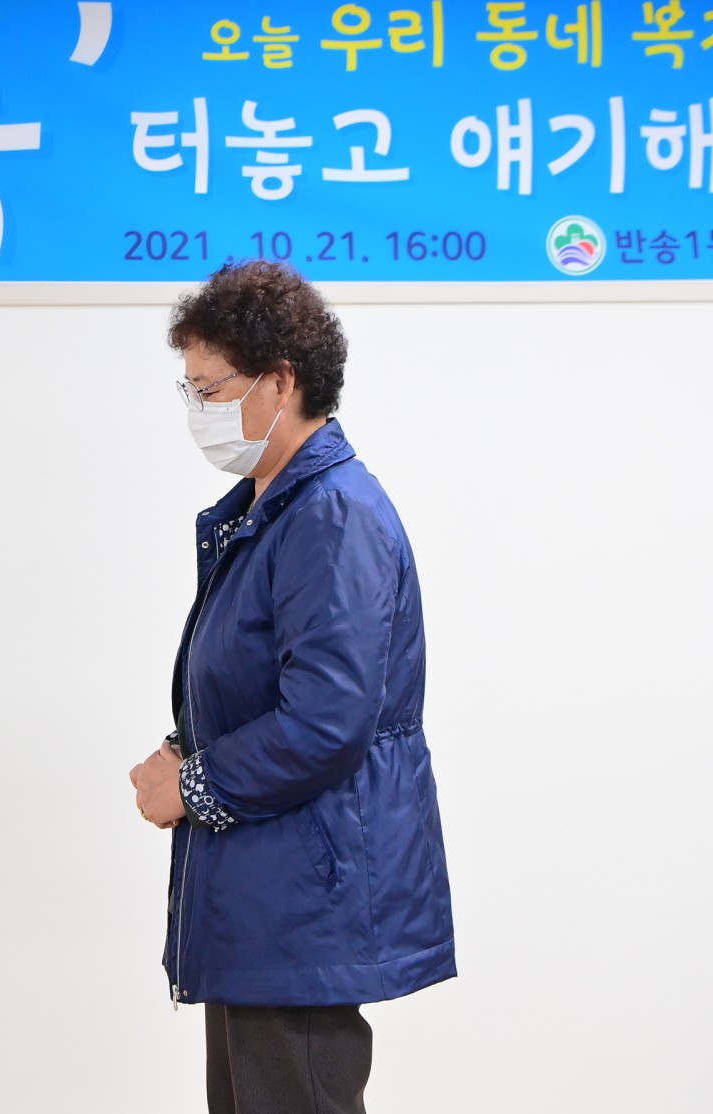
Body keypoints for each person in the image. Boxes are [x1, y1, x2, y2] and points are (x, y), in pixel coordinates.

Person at [129, 260, 454, 1114]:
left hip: (304, 904)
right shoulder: (266, 510)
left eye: (211, 387)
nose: (197, 408)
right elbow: (260, 684)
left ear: (281, 381)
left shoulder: (330, 514)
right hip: (267, 898)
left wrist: (191, 786)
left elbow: (325, 721)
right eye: (189, 388)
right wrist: (180, 749)